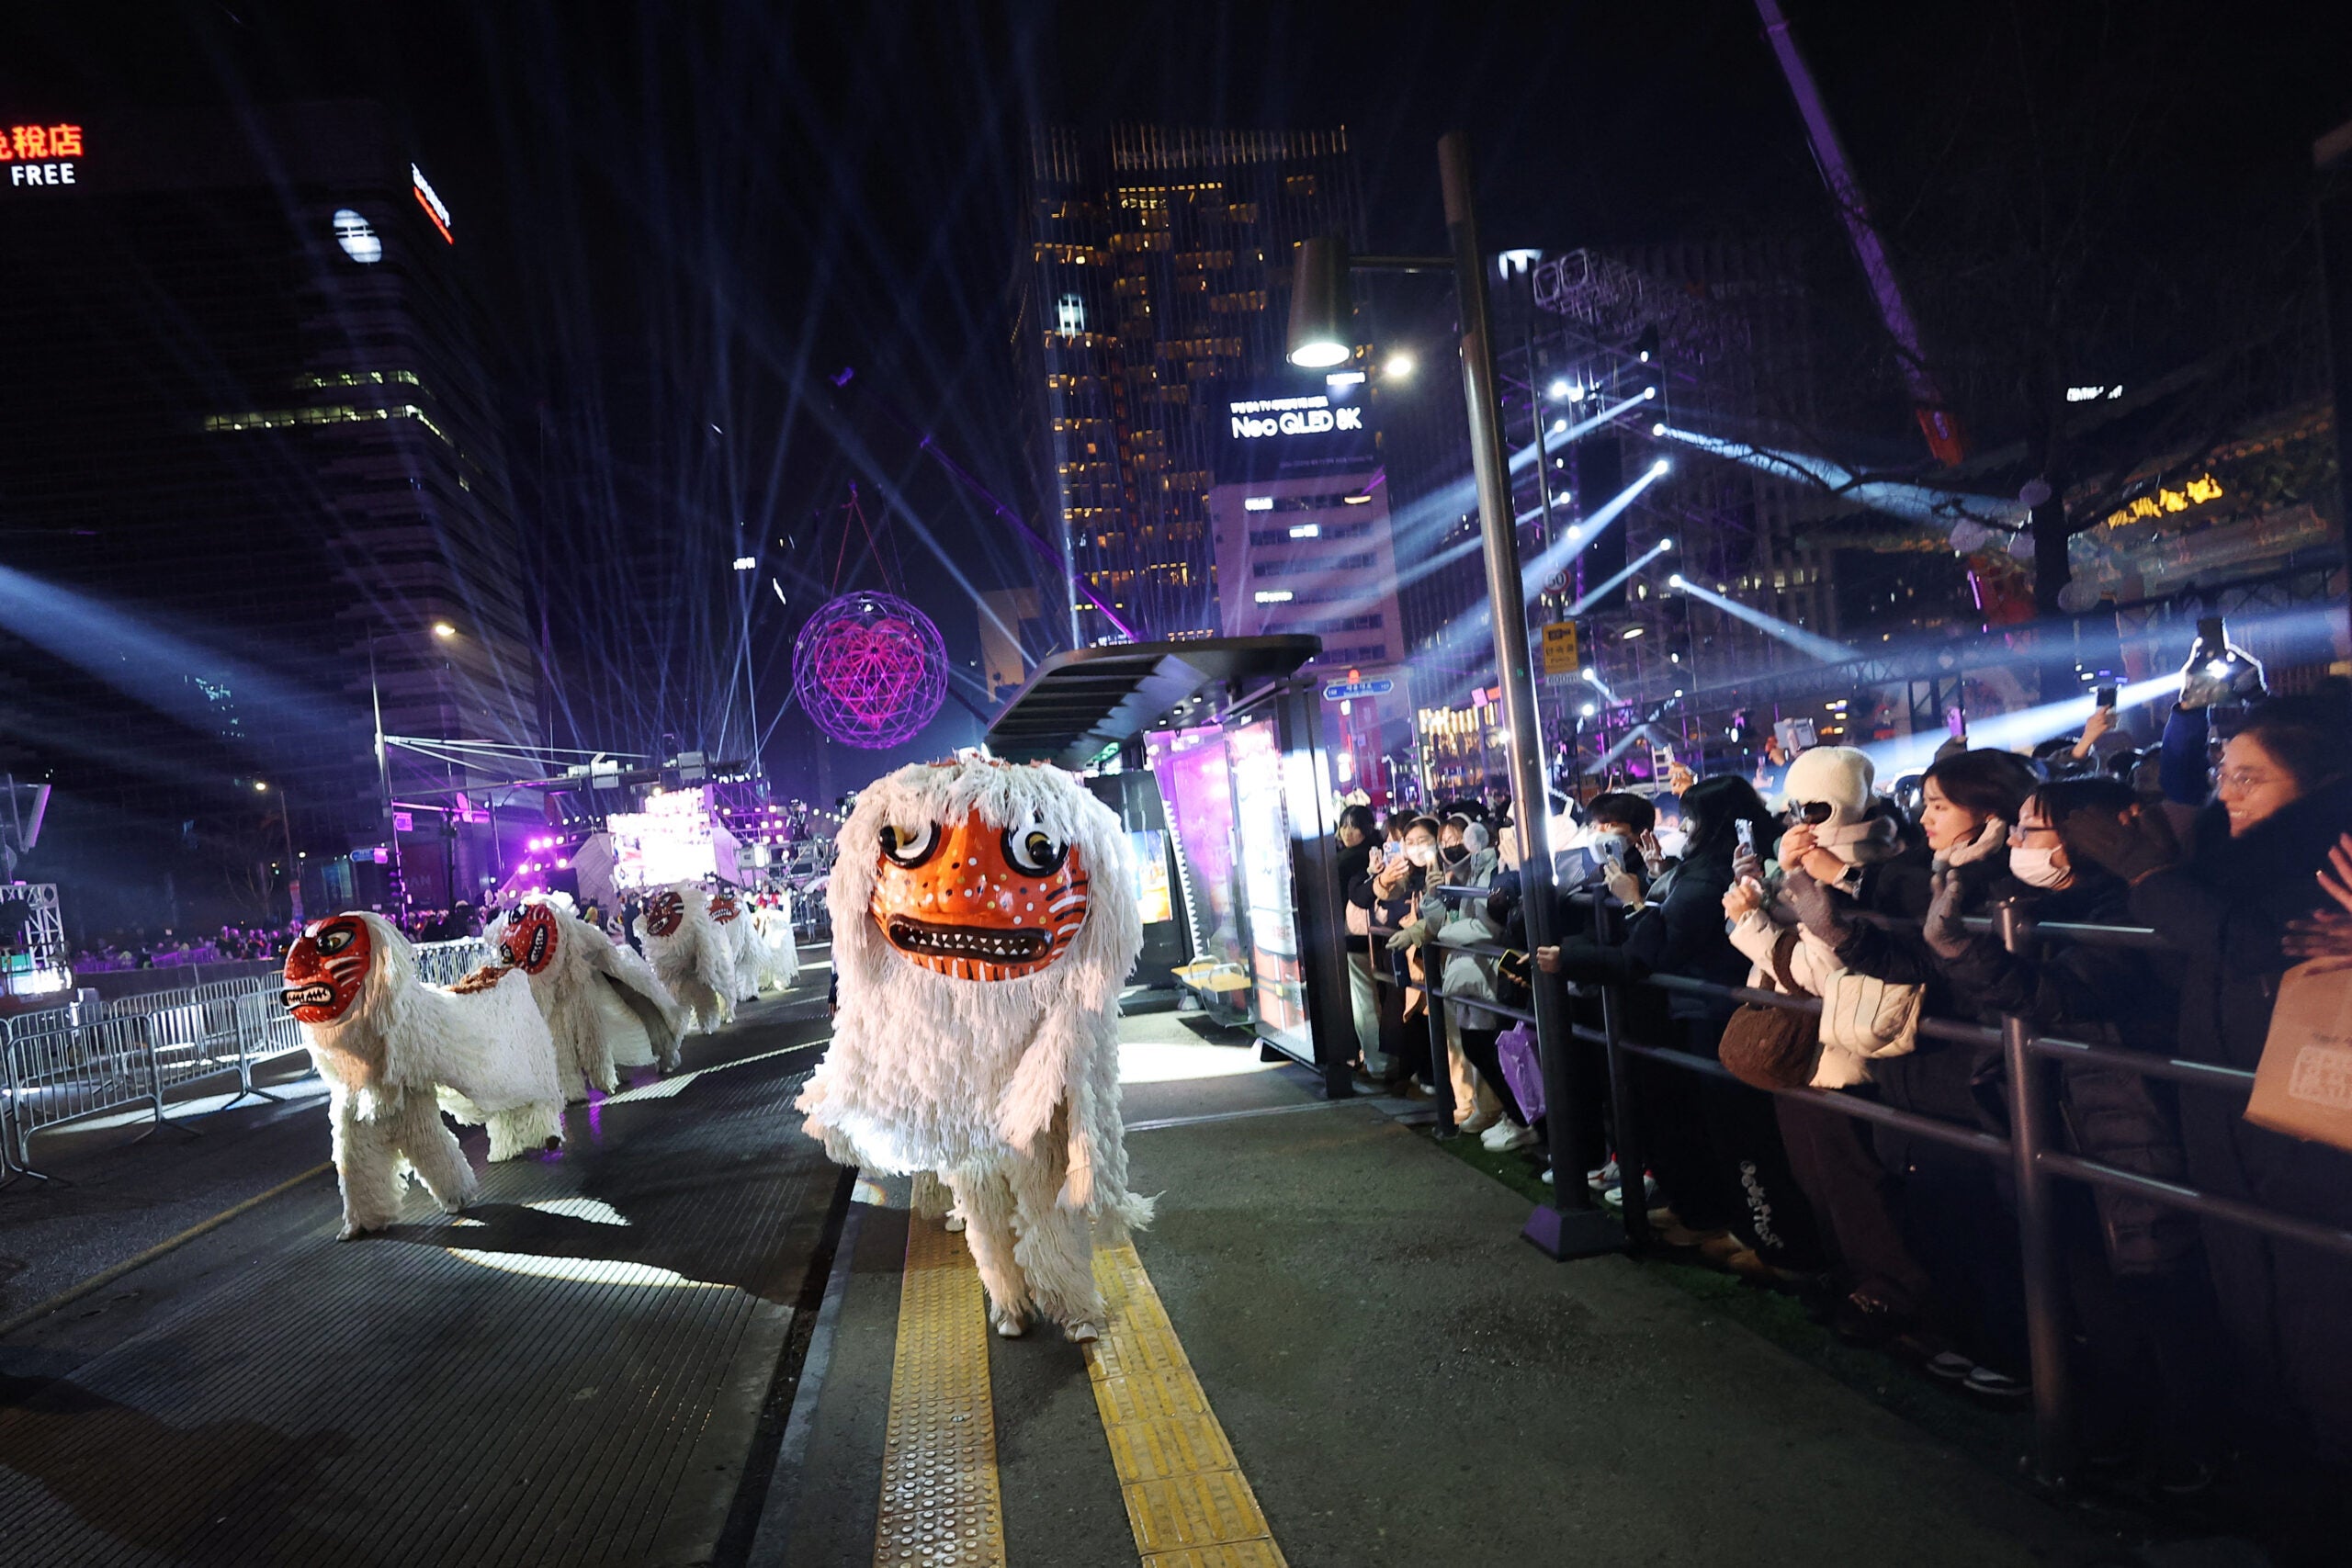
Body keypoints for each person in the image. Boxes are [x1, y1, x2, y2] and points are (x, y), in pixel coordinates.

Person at [2071, 692, 2352, 1459]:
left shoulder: (2331, 859)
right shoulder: (2228, 865)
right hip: (2236, 1127)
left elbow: (2258, 944)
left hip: (2315, 1144)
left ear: (2321, 778)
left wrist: (2150, 874)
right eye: (2224, 774)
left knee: (2320, 1321)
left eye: (2250, 778)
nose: (2226, 794)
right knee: (2257, 1314)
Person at [1920, 777, 2222, 1487]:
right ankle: (2127, 1437)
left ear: (2087, 835)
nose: (2019, 844)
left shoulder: (2121, 910)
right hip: (2077, 1130)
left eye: (2032, 830)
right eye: (2017, 828)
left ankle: (2192, 1456)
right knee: (2100, 1294)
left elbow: (2063, 995)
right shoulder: (2048, 901)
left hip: (2131, 1127)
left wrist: (1964, 953)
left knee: (2157, 1295)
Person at [1544, 775, 1822, 1275]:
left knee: (1738, 1135)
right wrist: (1661, 873)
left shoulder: (1707, 877)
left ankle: (1774, 1246)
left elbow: (1652, 951)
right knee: (1719, 1130)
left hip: (1713, 1014)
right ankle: (1745, 1229)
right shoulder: (1713, 867)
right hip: (1715, 1012)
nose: (1685, 825)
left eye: (1691, 817)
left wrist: (1633, 903)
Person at [1333, 803, 1387, 1085]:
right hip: (1378, 936)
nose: (1347, 831)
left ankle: (1377, 1062)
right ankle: (1379, 1060)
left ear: (1366, 829)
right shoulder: (1378, 851)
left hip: (1355, 938)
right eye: (1344, 825)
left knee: (1363, 1001)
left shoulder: (1345, 860)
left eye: (1354, 826)